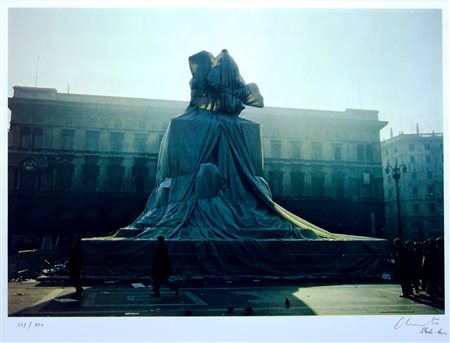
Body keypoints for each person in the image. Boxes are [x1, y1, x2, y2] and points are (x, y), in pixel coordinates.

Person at [68, 234, 84, 299]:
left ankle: (78, 290)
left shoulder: (76, 247)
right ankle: (79, 289)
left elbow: (73, 257)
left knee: (74, 278)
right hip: (76, 265)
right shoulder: (79, 247)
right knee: (76, 278)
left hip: (75, 265)